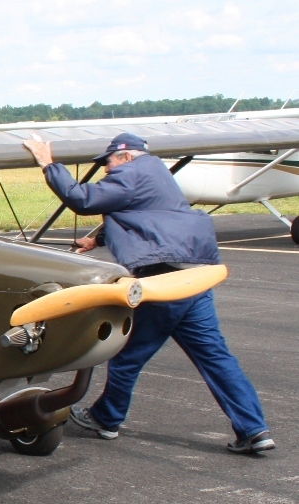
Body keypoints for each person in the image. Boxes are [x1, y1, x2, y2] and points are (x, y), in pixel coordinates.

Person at [22, 133, 274, 454]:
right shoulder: (158, 175)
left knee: (127, 353)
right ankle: (254, 429)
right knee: (216, 357)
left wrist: (48, 163)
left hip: (163, 279)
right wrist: (97, 240)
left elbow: (82, 200)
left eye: (108, 163)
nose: (105, 170)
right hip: (194, 276)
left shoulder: (130, 172)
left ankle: (107, 418)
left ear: (126, 158)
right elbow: (150, 216)